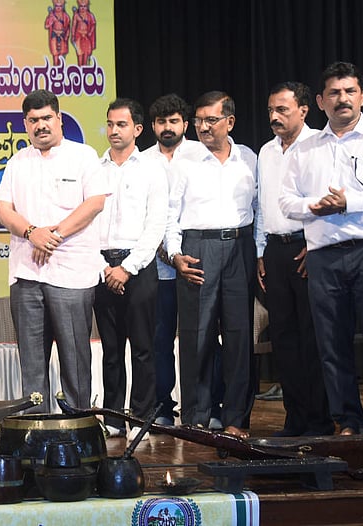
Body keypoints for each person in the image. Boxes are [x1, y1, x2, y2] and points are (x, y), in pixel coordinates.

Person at [279, 62, 363, 435]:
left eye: (350, 91)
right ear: (321, 101)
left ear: (362, 96)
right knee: (332, 343)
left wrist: (350, 203)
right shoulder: (305, 149)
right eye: (335, 93)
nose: (343, 99)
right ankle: (349, 421)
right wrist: (315, 206)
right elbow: (286, 202)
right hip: (324, 255)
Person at [0, 89, 107, 413]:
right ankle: (37, 436)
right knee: (31, 363)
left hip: (72, 276)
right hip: (27, 275)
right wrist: (33, 233)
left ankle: (78, 431)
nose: (40, 125)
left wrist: (53, 235)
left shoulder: (84, 155)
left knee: (74, 361)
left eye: (47, 118)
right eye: (33, 120)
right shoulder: (17, 162)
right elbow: (4, 210)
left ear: (59, 119)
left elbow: (95, 203)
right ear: (25, 124)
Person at [165, 91, 258, 438]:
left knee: (238, 337)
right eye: (199, 120)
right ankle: (196, 417)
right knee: (196, 336)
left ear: (229, 122)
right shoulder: (184, 161)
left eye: (211, 120)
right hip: (197, 249)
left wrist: (259, 252)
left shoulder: (249, 158)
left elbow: (259, 209)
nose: (203, 127)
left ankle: (235, 418)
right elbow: (169, 215)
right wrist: (176, 255)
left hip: (240, 246)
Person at [254, 82, 333, 437]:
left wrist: (316, 243)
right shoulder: (266, 152)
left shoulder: (321, 146)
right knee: (284, 338)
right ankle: (295, 418)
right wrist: (259, 251)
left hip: (308, 247)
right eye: (271, 109)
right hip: (274, 248)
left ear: (304, 109)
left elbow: (330, 198)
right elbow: (263, 205)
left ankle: (319, 420)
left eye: (282, 109)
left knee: (312, 337)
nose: (274, 116)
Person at [94, 98, 168, 440]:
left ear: (138, 129)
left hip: (138, 267)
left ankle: (141, 418)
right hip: (101, 267)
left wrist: (126, 268)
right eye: (109, 124)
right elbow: (87, 225)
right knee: (111, 349)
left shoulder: (152, 169)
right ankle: (112, 418)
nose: (113, 130)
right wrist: (105, 268)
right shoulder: (96, 169)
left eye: (121, 124)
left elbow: (156, 226)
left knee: (142, 347)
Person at [142, 94, 210, 427]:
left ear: (185, 123)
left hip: (197, 261)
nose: (167, 127)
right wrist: (165, 251)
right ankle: (163, 407)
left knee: (203, 336)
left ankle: (206, 407)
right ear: (152, 126)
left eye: (173, 121)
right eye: (160, 122)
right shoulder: (142, 162)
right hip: (157, 267)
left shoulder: (203, 154)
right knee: (160, 340)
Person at [44, 0, 70, 65]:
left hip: (62, 36)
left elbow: (68, 27)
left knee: (61, 56)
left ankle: (61, 71)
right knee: (55, 55)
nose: (58, 8)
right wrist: (51, 19)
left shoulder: (65, 16)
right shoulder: (51, 15)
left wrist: (66, 37)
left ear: (63, 6)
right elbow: (46, 26)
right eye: (56, 6)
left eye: (60, 6)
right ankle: (55, 69)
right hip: (54, 36)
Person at [71, 0, 96, 66]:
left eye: (84, 6)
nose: (83, 8)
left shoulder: (90, 15)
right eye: (81, 6)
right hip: (78, 37)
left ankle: (84, 70)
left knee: (86, 55)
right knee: (79, 55)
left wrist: (90, 32)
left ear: (87, 7)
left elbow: (93, 24)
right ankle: (80, 70)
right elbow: (73, 26)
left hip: (86, 37)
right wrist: (73, 35)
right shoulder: (76, 15)